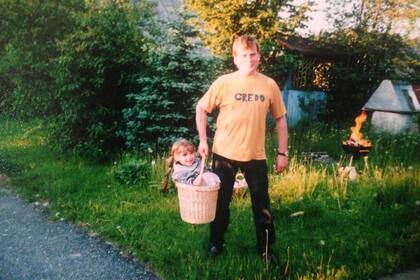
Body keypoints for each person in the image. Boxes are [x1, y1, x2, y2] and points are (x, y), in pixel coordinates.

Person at [195, 35, 288, 261]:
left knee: (262, 206)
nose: (249, 59)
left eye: (253, 54)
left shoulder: (269, 85)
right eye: (244, 55)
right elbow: (201, 108)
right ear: (235, 58)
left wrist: (282, 153)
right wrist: (203, 140)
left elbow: (281, 120)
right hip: (224, 154)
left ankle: (266, 249)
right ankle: (216, 244)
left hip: (255, 156)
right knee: (220, 204)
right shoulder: (223, 82)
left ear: (259, 56)